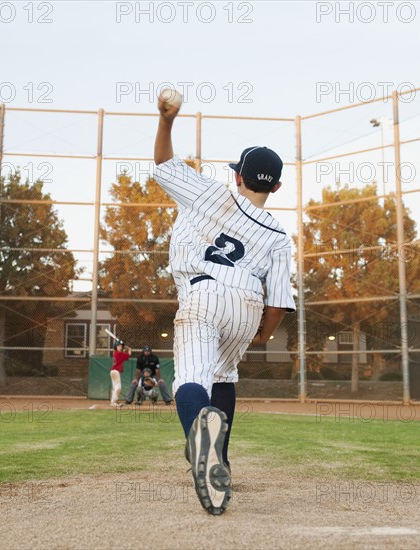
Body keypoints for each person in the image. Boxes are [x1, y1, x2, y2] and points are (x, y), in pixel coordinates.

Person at [153, 95, 295, 515]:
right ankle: (223, 462)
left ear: (237, 176)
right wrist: (262, 333)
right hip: (249, 302)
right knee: (225, 375)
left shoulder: (209, 193)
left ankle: (203, 450)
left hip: (203, 293)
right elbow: (281, 303)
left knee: (190, 382)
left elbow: (163, 164)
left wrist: (166, 122)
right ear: (276, 186)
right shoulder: (279, 236)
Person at [110, 340, 131, 407]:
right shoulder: (118, 353)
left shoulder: (117, 353)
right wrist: (129, 349)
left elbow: (124, 355)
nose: (120, 347)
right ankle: (113, 402)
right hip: (115, 372)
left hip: (113, 371)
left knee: (115, 387)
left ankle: (114, 402)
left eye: (121, 346)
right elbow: (128, 355)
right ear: (115, 347)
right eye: (118, 346)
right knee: (118, 387)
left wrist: (125, 350)